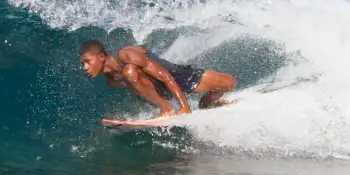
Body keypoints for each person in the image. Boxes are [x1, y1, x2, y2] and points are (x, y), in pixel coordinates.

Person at [79, 40, 236, 120]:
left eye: (87, 61)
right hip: (160, 91)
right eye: (83, 64)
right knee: (129, 72)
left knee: (229, 83)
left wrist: (184, 106)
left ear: (101, 57)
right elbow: (140, 87)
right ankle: (166, 107)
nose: (85, 67)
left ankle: (209, 101)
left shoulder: (126, 55)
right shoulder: (111, 79)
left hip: (174, 74)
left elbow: (164, 75)